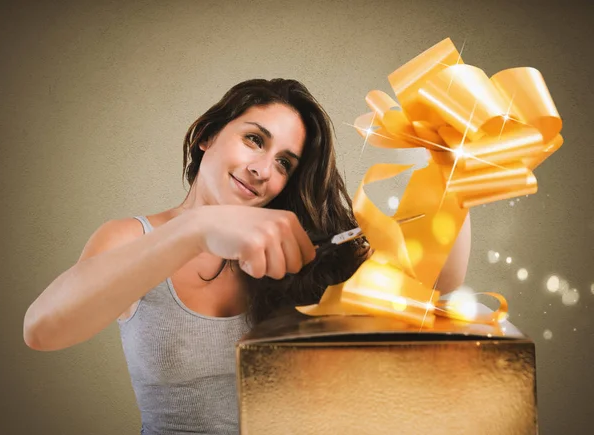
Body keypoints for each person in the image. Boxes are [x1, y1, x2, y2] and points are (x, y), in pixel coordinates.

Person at [23, 78, 471, 434]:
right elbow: (43, 330)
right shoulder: (130, 237)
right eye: (255, 140)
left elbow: (436, 283)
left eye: (284, 164)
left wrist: (452, 175)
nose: (262, 170)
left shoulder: (297, 250)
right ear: (207, 135)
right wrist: (195, 230)